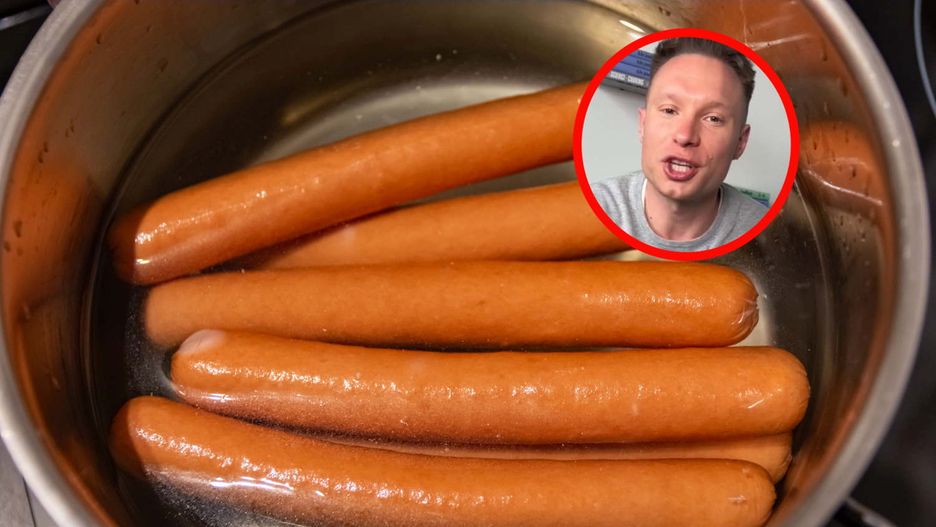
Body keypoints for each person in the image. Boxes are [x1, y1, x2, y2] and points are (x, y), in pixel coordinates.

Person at [591, 38, 768, 251]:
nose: (685, 136)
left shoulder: (767, 234)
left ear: (740, 142)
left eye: (713, 118)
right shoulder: (596, 206)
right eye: (669, 110)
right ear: (643, 124)